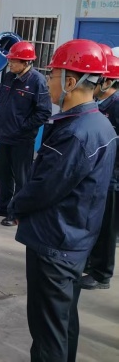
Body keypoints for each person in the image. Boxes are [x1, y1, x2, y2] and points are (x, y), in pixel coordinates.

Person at [8, 39, 116, 362]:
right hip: (75, 239)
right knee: (63, 322)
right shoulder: (99, 124)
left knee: (47, 334)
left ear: (71, 82)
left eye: (53, 74)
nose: (48, 81)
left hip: (55, 243)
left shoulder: (76, 133)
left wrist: (15, 205)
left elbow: (45, 187)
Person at [0, 42, 51, 226]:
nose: (10, 64)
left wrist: (23, 127)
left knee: (21, 178)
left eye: (14, 61)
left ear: (26, 62)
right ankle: (3, 206)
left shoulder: (37, 81)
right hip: (5, 135)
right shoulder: (9, 77)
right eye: (10, 60)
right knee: (2, 174)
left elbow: (44, 112)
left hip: (22, 139)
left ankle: (17, 213)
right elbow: (3, 101)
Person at [80, 46, 119, 290]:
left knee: (107, 228)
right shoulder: (99, 103)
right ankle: (90, 262)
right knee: (94, 221)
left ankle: (102, 273)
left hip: (113, 176)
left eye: (98, 79)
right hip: (99, 173)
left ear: (108, 81)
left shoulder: (116, 105)